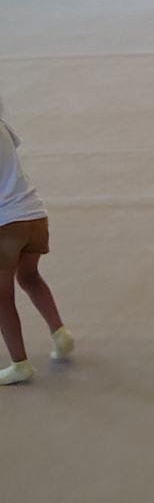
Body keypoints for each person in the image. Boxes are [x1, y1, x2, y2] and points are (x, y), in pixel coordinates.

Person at [0, 108, 73, 385]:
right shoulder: (2, 125)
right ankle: (60, 333)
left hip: (6, 224)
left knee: (2, 297)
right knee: (29, 277)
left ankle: (20, 364)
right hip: (34, 213)